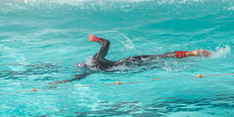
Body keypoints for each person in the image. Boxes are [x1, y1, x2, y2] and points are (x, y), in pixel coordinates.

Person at [78, 34, 211, 70]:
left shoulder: (96, 69)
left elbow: (79, 77)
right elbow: (106, 43)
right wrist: (94, 38)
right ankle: (192, 53)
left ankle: (191, 56)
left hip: (128, 67)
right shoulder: (97, 57)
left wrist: (63, 83)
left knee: (159, 62)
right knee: (158, 56)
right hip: (129, 60)